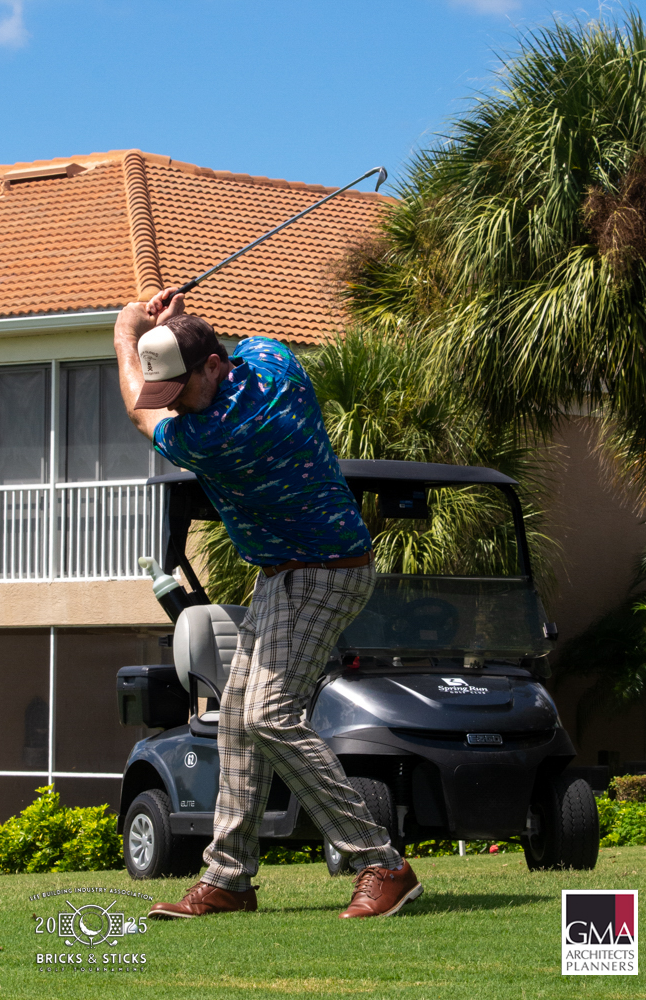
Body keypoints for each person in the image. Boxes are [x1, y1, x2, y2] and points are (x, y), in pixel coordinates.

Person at [113, 288, 422, 919]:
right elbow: (207, 358)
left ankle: (383, 864)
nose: (172, 403)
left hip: (323, 574)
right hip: (287, 574)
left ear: (213, 367)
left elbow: (139, 415)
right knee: (235, 720)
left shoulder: (216, 434)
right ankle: (228, 877)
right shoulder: (272, 360)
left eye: (179, 390)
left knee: (268, 717)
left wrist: (126, 330)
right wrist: (174, 326)